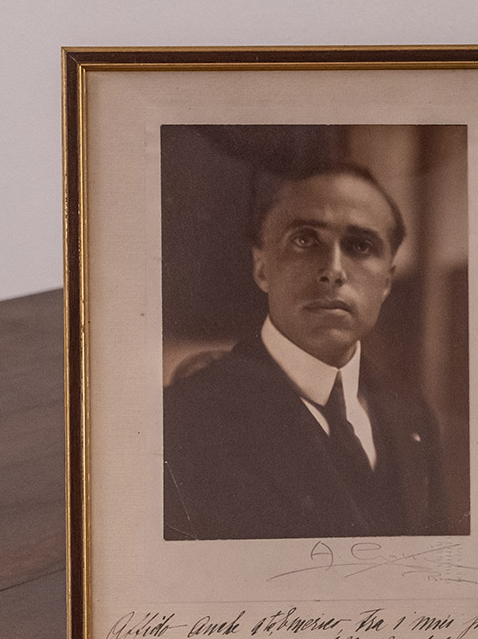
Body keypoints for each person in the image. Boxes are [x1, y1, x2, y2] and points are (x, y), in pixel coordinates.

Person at [163, 160, 444, 540]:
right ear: (262, 268)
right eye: (305, 240)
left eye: (360, 246)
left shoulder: (412, 415)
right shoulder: (181, 419)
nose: (333, 270)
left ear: (386, 282)